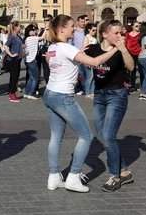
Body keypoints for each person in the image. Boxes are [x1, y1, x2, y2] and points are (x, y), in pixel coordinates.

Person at [43, 15, 118, 193]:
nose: (75, 29)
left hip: (50, 93)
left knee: (55, 137)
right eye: (71, 27)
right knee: (85, 136)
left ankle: (54, 176)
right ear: (61, 29)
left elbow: (63, 62)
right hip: (63, 97)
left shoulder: (53, 47)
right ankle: (73, 177)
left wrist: (79, 51)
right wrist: (116, 49)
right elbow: (95, 62)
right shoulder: (66, 47)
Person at [85, 20, 135, 192]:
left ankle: (115, 176)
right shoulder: (93, 49)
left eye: (121, 33)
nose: (120, 36)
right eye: (116, 33)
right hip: (99, 95)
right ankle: (125, 171)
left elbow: (131, 66)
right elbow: (80, 59)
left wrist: (124, 50)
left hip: (117, 95)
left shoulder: (121, 50)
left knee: (108, 135)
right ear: (105, 34)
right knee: (101, 136)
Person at [4, 21, 23, 103]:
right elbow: (5, 46)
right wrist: (11, 54)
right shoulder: (11, 37)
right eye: (19, 26)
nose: (20, 28)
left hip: (18, 58)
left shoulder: (18, 37)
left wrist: (22, 46)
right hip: (13, 60)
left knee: (15, 77)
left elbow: (18, 45)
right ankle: (12, 94)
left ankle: (11, 92)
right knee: (14, 77)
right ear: (15, 27)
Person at [23, 25, 41, 100]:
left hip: (27, 60)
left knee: (31, 77)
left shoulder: (27, 38)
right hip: (32, 60)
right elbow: (42, 37)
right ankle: (30, 93)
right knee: (36, 78)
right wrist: (47, 28)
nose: (35, 31)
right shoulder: (32, 38)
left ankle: (26, 93)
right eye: (33, 30)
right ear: (30, 32)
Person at [81, 23, 98, 99]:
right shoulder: (87, 37)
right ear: (89, 30)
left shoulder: (95, 38)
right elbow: (84, 50)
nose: (95, 32)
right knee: (89, 77)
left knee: (94, 77)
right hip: (88, 59)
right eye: (93, 30)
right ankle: (88, 92)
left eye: (96, 30)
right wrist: (86, 61)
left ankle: (92, 92)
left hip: (94, 59)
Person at [125, 21, 142, 93]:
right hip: (130, 52)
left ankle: (142, 84)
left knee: (141, 70)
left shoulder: (140, 34)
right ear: (132, 27)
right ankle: (132, 85)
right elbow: (126, 43)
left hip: (139, 52)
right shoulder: (128, 34)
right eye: (136, 26)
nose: (138, 27)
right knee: (132, 70)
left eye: (139, 26)